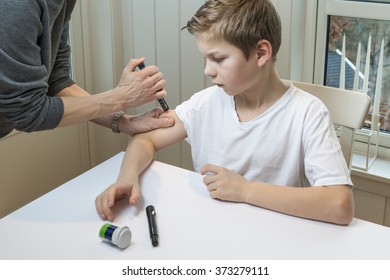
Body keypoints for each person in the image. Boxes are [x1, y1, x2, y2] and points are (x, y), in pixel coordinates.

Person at [95, 0, 354, 225]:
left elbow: (339, 204)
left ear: (261, 53)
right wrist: (128, 176)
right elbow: (146, 138)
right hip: (212, 229)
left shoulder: (307, 113)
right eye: (205, 59)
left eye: (218, 59)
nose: (208, 70)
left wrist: (245, 190)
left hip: (274, 237)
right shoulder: (207, 103)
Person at [0, 0, 173, 139]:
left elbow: (57, 80)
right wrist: (122, 97)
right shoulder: (17, 6)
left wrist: (124, 121)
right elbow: (27, 111)